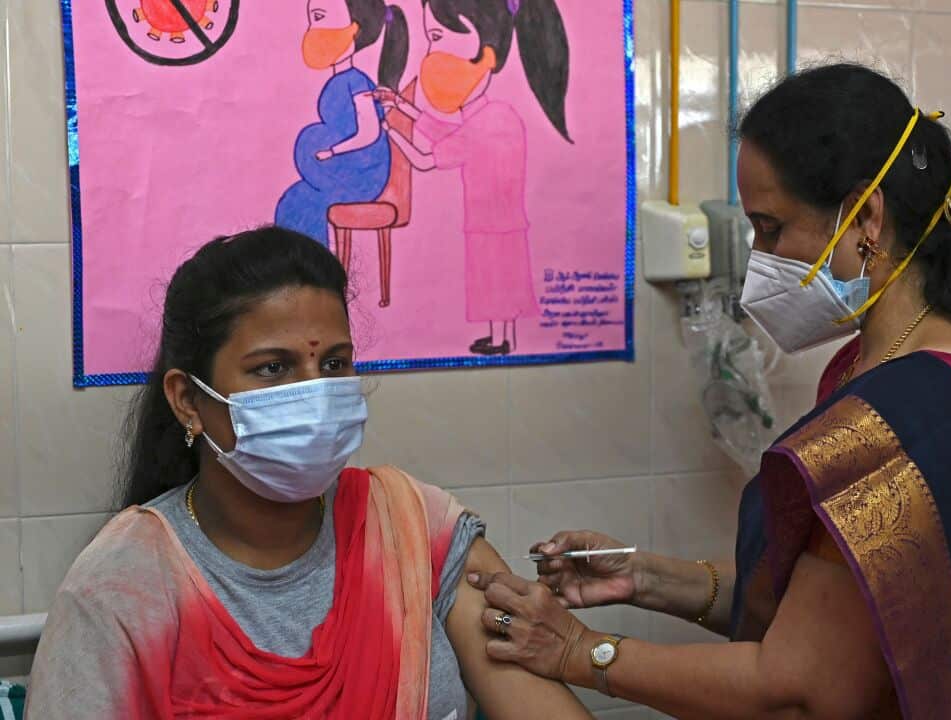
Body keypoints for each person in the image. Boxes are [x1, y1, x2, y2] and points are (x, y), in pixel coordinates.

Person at [467, 63, 951, 718]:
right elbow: (851, 600)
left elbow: (799, 690)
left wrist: (579, 651)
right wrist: (646, 578)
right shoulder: (874, 365)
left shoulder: (921, 408)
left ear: (866, 217)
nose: (759, 261)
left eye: (771, 229)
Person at [26, 227, 591, 719]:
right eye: (273, 367)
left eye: (334, 363)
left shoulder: (412, 531)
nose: (316, 395)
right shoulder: (122, 589)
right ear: (188, 401)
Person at [376, 0, 571, 356]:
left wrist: (392, 131)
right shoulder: (496, 116)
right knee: (503, 282)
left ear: (487, 55)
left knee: (495, 284)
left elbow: (425, 159)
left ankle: (500, 340)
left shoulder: (483, 126)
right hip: (506, 221)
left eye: (437, 38)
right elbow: (448, 135)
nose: (429, 56)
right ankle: (503, 337)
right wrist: (403, 107)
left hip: (488, 225)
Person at [274, 0, 408, 245]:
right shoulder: (340, 80)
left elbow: (369, 133)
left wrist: (332, 151)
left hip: (362, 175)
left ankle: (315, 264)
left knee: (309, 205)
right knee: (295, 200)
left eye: (319, 17)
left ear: (354, 28)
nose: (312, 31)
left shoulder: (356, 83)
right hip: (344, 171)